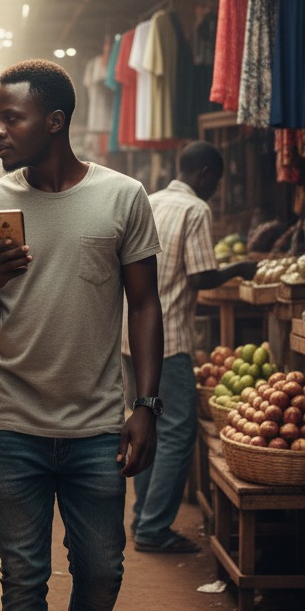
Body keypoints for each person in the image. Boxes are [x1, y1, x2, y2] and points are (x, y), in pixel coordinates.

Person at [0, 59, 164, 611]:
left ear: (54, 121)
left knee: (102, 570)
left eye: (9, 118)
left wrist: (146, 405)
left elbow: (145, 304)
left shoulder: (122, 197)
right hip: (13, 423)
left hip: (97, 425)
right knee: (22, 577)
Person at [122, 140, 257, 554]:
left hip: (129, 338)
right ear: (205, 174)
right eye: (216, 181)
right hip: (167, 339)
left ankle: (143, 517)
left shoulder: (150, 200)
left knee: (146, 424)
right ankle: (153, 527)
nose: (215, 189)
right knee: (178, 431)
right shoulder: (195, 209)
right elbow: (201, 277)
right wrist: (241, 268)